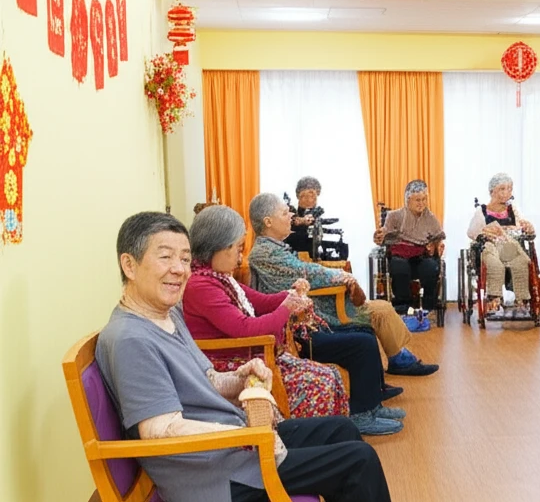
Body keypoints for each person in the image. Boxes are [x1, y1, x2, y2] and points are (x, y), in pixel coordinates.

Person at [95, 211, 391, 502]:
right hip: (213, 475)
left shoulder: (167, 314)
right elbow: (160, 431)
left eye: (185, 258)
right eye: (165, 256)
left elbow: (206, 381)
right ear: (129, 265)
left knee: (342, 428)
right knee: (359, 460)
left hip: (231, 448)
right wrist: (246, 434)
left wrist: (238, 378)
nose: (179, 269)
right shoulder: (130, 339)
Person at [183, 206, 405, 436]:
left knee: (339, 364)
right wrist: (288, 307)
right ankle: (326, 437)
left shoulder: (219, 278)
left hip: (249, 353)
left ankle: (351, 423)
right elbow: (245, 329)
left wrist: (290, 295)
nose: (241, 258)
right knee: (327, 376)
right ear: (218, 247)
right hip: (236, 363)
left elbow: (261, 301)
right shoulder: (202, 286)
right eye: (237, 249)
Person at [248, 193, 438, 378]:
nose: (291, 215)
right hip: (313, 310)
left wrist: (340, 275)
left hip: (312, 301)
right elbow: (305, 273)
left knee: (383, 307)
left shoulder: (272, 247)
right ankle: (400, 360)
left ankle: (399, 358)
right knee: (382, 309)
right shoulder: (265, 252)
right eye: (284, 213)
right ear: (268, 222)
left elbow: (305, 269)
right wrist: (341, 275)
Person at [466, 173, 535, 319]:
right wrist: (485, 233)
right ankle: (494, 301)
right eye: (502, 189)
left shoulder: (513, 210)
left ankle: (522, 301)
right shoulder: (482, 211)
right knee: (495, 264)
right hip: (490, 247)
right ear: (492, 192)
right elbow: (472, 232)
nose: (507, 193)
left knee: (521, 262)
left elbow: (522, 226)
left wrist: (528, 227)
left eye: (509, 189)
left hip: (508, 247)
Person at [373, 179, 446, 315]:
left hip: (420, 257)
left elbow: (438, 238)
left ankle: (428, 307)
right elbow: (384, 234)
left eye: (424, 199)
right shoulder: (394, 216)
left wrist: (436, 245)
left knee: (431, 267)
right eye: (417, 200)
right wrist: (379, 236)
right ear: (408, 200)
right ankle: (402, 306)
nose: (422, 203)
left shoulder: (431, 218)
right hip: (400, 255)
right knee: (400, 266)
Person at [285, 176, 348, 260]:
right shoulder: (289, 216)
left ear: (317, 194)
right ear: (297, 196)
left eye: (311, 194)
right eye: (303, 195)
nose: (308, 199)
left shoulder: (324, 216)